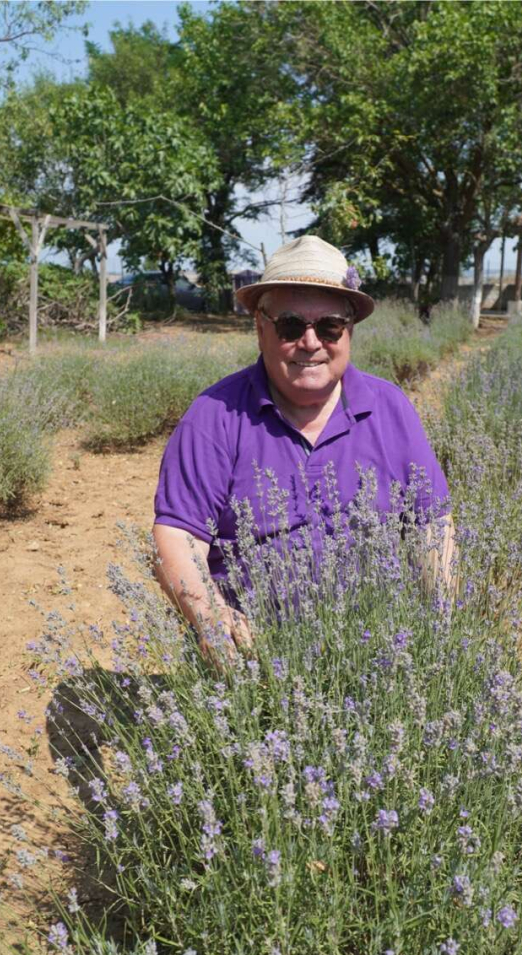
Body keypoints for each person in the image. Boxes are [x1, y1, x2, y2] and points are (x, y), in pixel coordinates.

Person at [152, 235, 455, 654]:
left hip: (378, 655)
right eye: (291, 325)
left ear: (349, 331)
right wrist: (211, 618)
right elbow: (178, 534)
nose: (311, 343)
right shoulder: (213, 415)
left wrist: (439, 627)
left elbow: (431, 527)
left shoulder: (391, 408)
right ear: (260, 326)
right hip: (256, 660)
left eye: (330, 326)